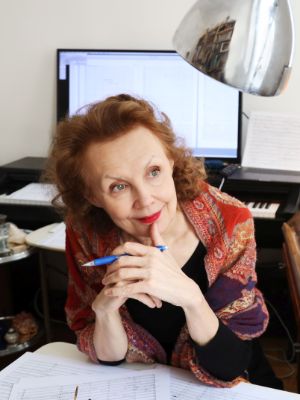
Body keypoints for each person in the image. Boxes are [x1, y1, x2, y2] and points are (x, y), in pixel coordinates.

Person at [45, 94, 282, 389]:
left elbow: (229, 366)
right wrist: (104, 312)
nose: (145, 200)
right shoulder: (84, 234)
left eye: (153, 172)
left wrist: (190, 297)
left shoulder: (230, 221)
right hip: (141, 387)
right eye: (118, 186)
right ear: (93, 196)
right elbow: (109, 359)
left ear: (171, 161)